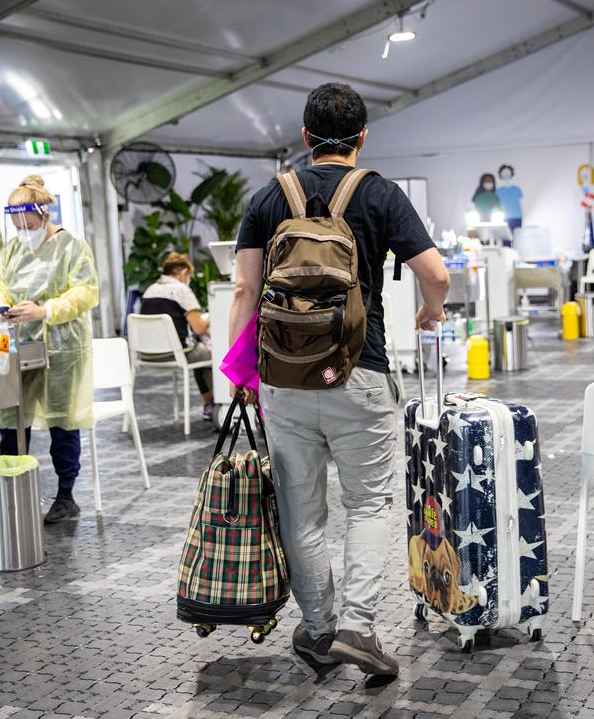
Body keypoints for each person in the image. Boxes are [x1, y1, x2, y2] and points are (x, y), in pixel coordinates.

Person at [230, 83, 450, 681]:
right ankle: (358, 626)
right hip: (359, 370)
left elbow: (247, 291)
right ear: (362, 136)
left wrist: (241, 371)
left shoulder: (269, 197)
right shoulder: (379, 192)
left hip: (284, 380)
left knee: (301, 511)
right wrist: (431, 311)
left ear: (304, 137)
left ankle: (320, 629)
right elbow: (435, 273)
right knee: (369, 502)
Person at [0, 175, 100, 524]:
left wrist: (46, 310)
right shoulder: (13, 250)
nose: (24, 232)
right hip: (20, 343)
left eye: (30, 225)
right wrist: (2, 304)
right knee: (12, 419)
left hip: (62, 347)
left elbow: (85, 291)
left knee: (61, 420)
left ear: (45, 216)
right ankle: (10, 487)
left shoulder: (72, 246)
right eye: (17, 226)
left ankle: (66, 495)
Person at [139, 252, 215, 419]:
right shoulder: (181, 290)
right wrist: (212, 315)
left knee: (199, 351)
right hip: (175, 355)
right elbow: (199, 328)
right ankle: (213, 404)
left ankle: (210, 404)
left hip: (147, 355)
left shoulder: (150, 290)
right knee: (208, 353)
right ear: (183, 272)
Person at [495, 164, 524, 232]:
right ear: (500, 174)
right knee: (506, 238)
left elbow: (522, 203)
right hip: (503, 218)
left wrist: (523, 216)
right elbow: (497, 206)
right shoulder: (498, 191)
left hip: (517, 216)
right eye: (504, 172)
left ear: (511, 173)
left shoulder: (516, 189)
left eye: (508, 172)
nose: (506, 174)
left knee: (516, 237)